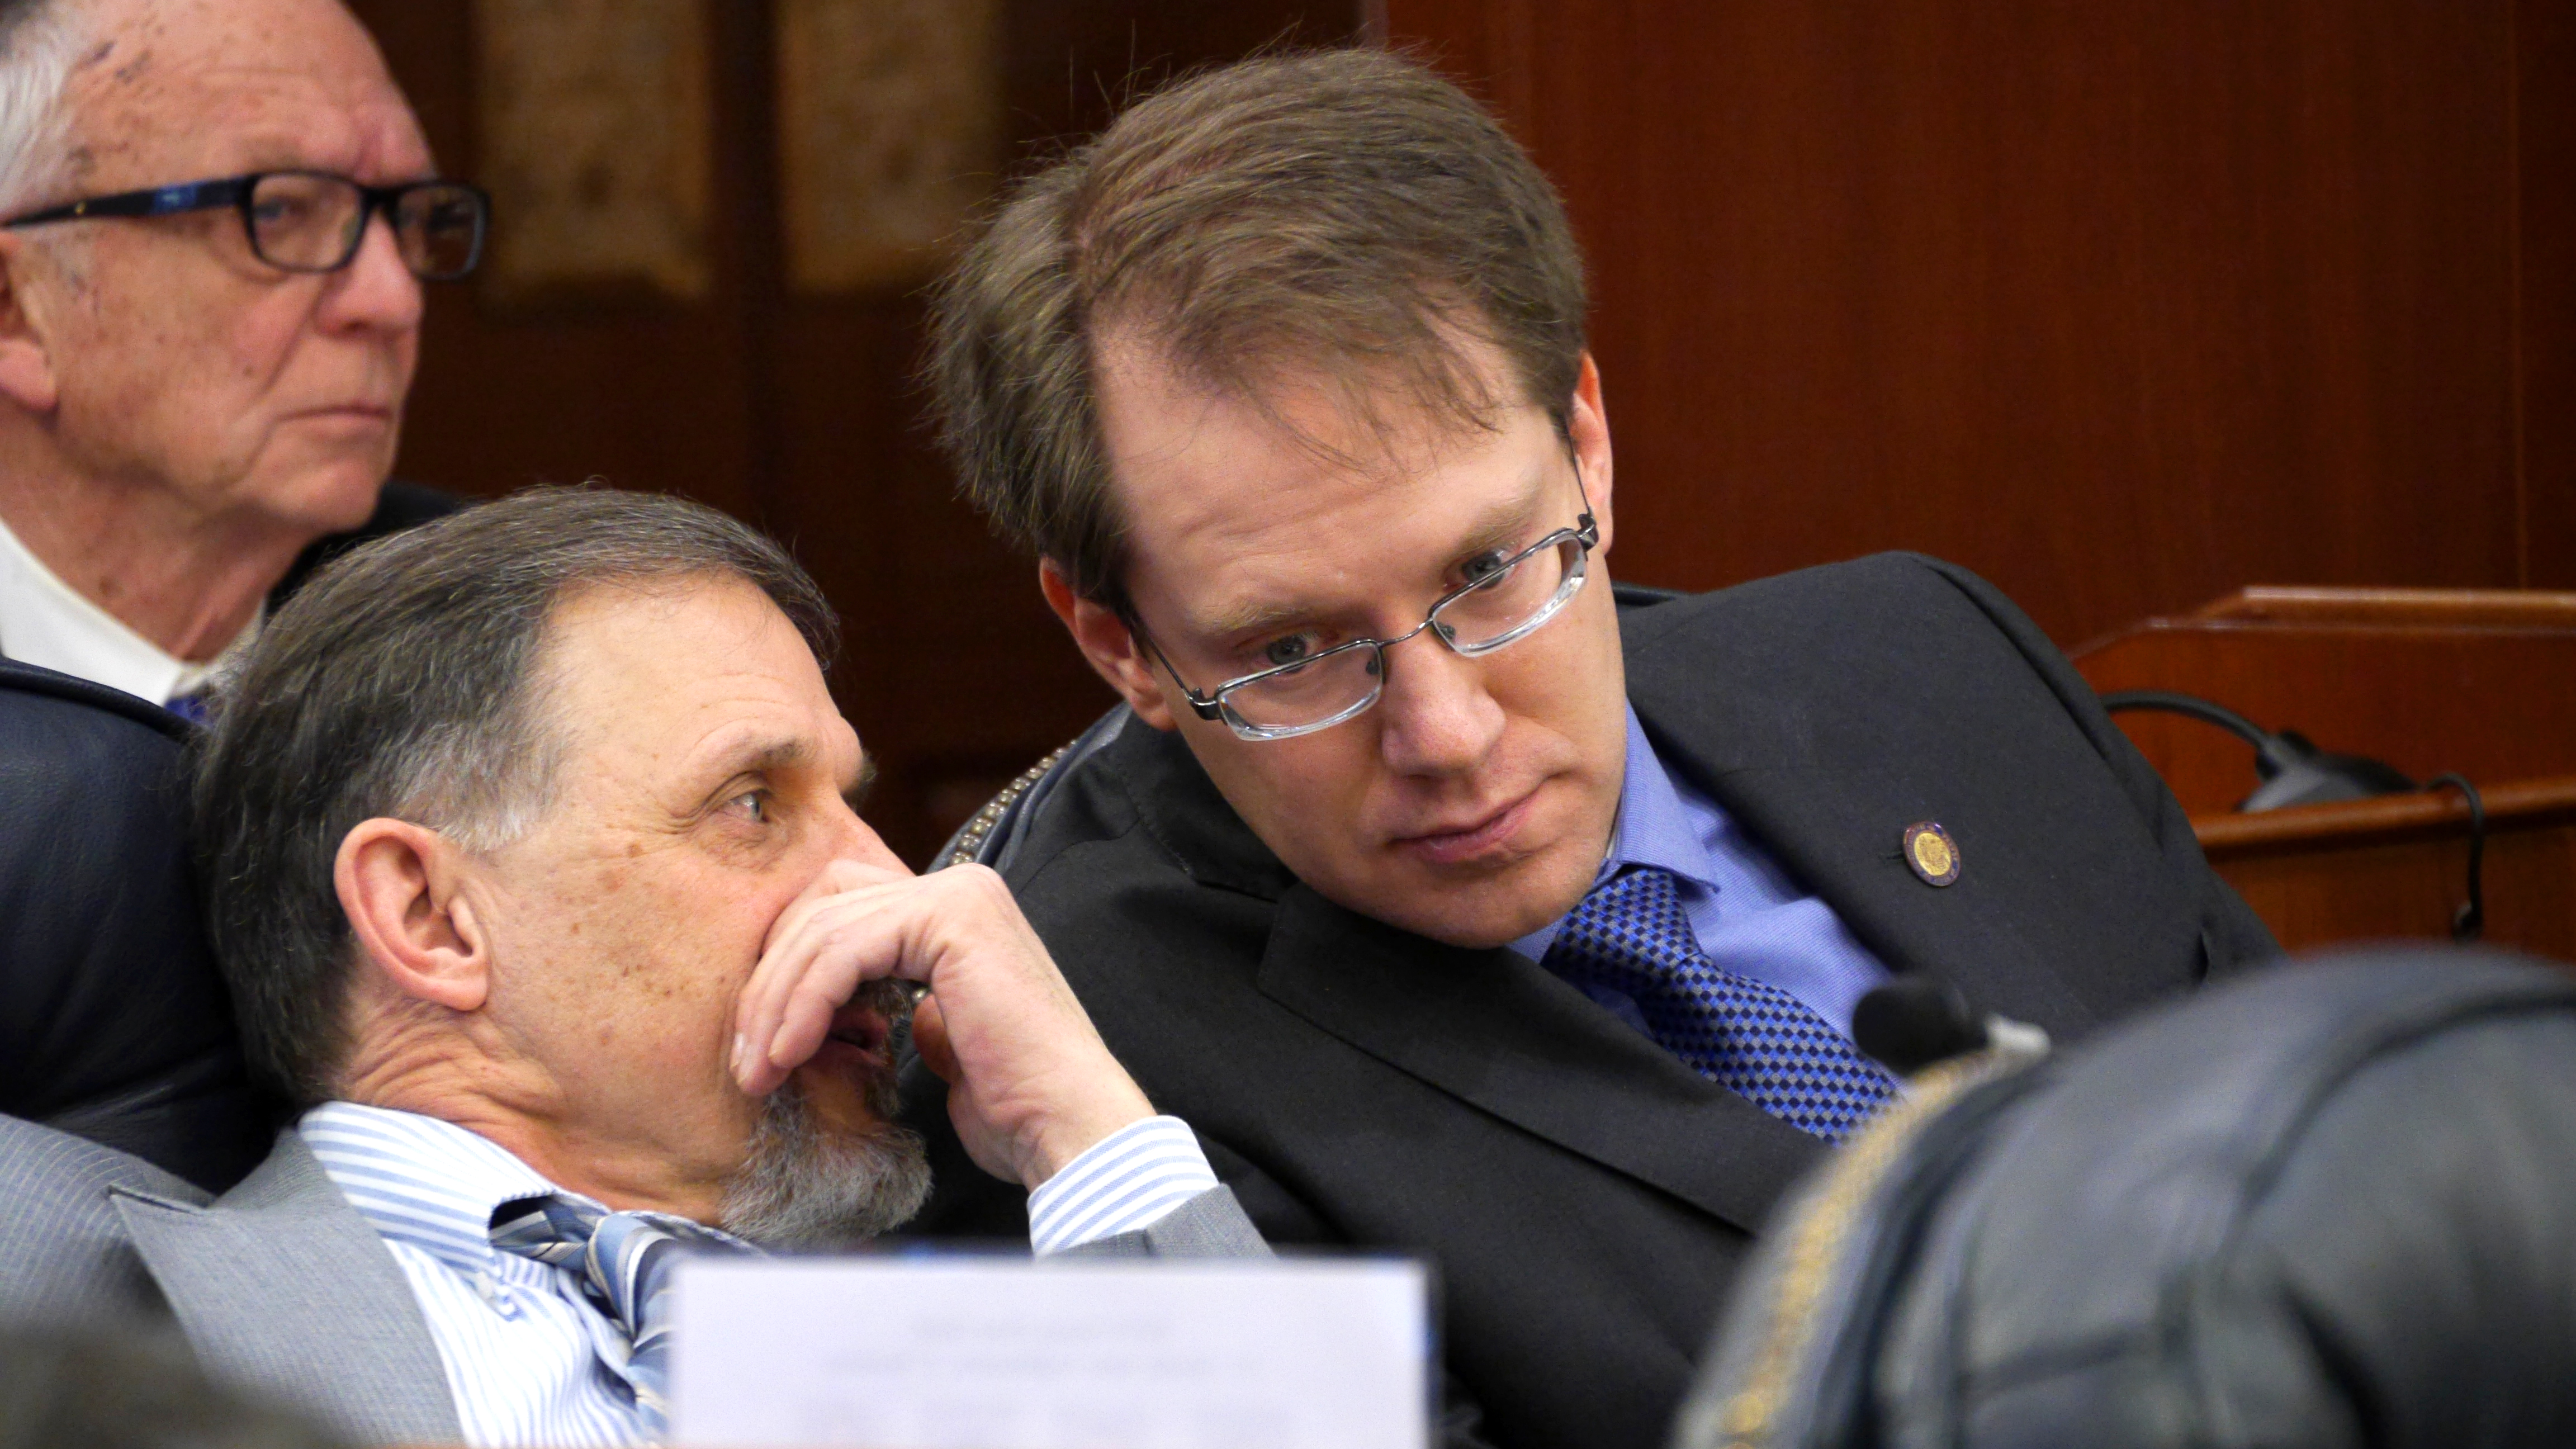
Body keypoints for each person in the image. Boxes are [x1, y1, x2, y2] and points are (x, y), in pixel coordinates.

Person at [916, 46, 2279, 1449]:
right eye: (1291, 651)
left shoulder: (1930, 659)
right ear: (1117, 642)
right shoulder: (1089, 1084)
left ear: (1586, 440)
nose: (1444, 733)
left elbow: (2337, 1148)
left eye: (1491, 570)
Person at [0, 486, 1264, 1448]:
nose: (891, 889)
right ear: (431, 914)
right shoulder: (81, 1296)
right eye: (752, 804)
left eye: (854, 807)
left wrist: (1086, 1133)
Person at [0, 0, 473, 717]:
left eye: (407, 216)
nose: (394, 299)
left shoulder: (480, 629)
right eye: (278, 212)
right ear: (16, 309)